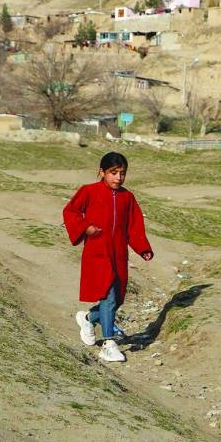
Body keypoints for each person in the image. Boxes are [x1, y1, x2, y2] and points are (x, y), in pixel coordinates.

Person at [63, 152, 154, 362]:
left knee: (117, 297)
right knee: (108, 295)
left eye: (122, 173)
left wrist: (143, 248)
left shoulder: (127, 197)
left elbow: (134, 225)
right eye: (113, 173)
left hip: (118, 253)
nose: (118, 178)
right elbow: (71, 212)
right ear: (102, 172)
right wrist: (86, 227)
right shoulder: (89, 191)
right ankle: (108, 343)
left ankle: (88, 318)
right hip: (97, 253)